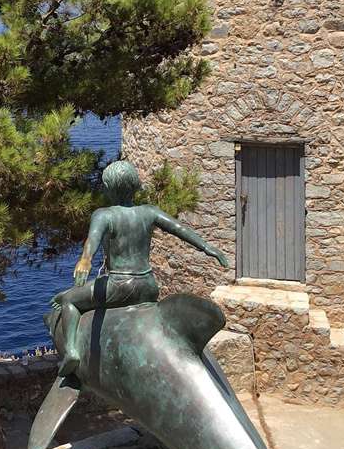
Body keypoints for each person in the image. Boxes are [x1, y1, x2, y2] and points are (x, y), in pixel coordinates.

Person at [51, 160, 229, 377]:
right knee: (71, 294)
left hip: (120, 286)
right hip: (148, 286)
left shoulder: (104, 215)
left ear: (109, 188)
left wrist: (85, 260)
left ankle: (71, 351)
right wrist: (210, 248)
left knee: (69, 299)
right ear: (134, 185)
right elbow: (180, 229)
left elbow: (93, 239)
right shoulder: (149, 212)